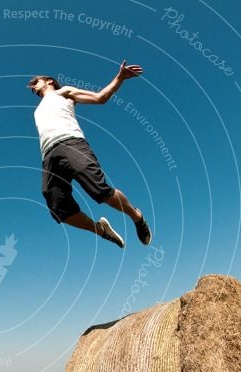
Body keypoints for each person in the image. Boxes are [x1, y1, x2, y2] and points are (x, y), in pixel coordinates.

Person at [28, 61, 152, 248]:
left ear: (49, 81)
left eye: (36, 82)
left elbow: (100, 97)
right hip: (48, 155)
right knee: (58, 207)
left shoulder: (65, 93)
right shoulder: (37, 111)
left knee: (100, 190)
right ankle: (102, 230)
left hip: (71, 143)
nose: (33, 87)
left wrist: (120, 78)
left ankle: (137, 217)